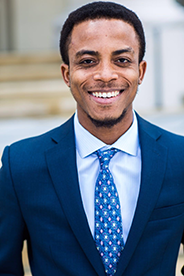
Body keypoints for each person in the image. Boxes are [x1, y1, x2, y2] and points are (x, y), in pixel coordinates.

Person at [0, 1, 184, 275]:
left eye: (122, 60)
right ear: (67, 74)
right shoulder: (21, 165)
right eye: (87, 62)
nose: (106, 75)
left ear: (141, 71)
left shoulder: (180, 157)